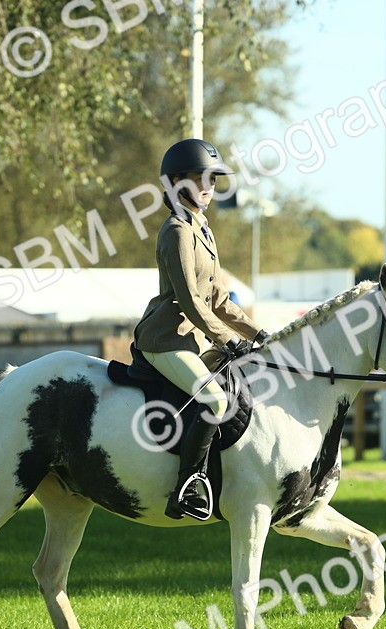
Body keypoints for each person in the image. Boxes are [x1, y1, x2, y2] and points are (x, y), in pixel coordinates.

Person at [133, 138, 269, 520]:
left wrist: (260, 336)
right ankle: (187, 487)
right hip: (166, 340)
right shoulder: (176, 231)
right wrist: (229, 340)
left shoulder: (203, 229)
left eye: (212, 178)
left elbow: (220, 299)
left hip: (192, 339)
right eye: (200, 178)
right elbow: (192, 301)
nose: (209, 186)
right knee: (215, 400)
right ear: (177, 183)